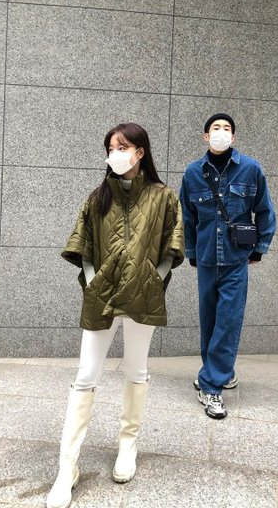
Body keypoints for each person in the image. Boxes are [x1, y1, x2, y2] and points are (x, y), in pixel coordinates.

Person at [47, 123, 184, 508]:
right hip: (102, 296)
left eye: (122, 147)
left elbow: (173, 246)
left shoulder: (163, 197)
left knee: (136, 371)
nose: (115, 154)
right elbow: (84, 246)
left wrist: (154, 280)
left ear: (140, 152)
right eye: (111, 148)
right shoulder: (98, 197)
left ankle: (128, 445)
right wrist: (93, 283)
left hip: (142, 295)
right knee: (85, 376)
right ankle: (67, 468)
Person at [179, 113, 276, 420]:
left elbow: (264, 210)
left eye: (227, 129)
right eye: (215, 128)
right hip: (207, 259)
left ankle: (211, 386)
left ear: (233, 137)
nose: (221, 132)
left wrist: (260, 247)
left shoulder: (251, 169)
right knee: (210, 321)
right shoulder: (192, 173)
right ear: (206, 136)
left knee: (228, 321)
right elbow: (187, 217)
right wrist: (191, 251)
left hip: (236, 260)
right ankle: (219, 370)